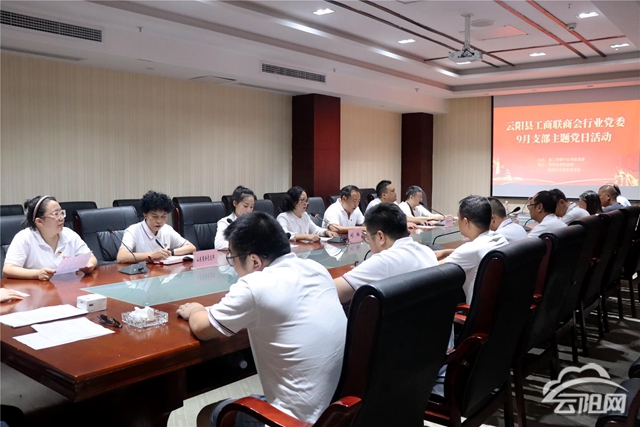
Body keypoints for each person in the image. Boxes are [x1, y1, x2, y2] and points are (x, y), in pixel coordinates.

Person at [177, 212, 346, 427]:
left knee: (209, 414)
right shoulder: (317, 269)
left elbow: (202, 328)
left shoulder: (256, 285)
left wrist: (195, 310)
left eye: (232, 258)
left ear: (254, 260)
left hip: (294, 422)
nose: (232, 266)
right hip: (336, 414)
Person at [333, 203, 438, 304]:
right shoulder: (427, 251)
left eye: (368, 238)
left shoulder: (384, 261)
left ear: (380, 236)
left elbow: (332, 290)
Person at [3, 195, 98, 280]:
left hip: (68, 287)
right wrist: (37, 274)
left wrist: (89, 265)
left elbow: (91, 258)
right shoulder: (25, 237)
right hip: (37, 290)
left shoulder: (69, 234)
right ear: (39, 221)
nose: (61, 218)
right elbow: (8, 269)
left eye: (61, 213)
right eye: (55, 214)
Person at [436, 195, 508, 304]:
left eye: (458, 218)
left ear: (466, 222)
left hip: (474, 311)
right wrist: (445, 252)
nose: (457, 222)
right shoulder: (500, 238)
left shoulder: (470, 250)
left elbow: (434, 269)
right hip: (498, 307)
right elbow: (474, 254)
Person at [117, 191, 195, 263]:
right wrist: (151, 255)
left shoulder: (167, 229)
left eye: (163, 216)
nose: (159, 221)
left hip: (163, 271)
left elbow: (191, 247)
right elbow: (121, 257)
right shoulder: (133, 231)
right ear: (145, 214)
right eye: (154, 216)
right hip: (142, 272)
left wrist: (170, 252)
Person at [215, 186, 256, 250]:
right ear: (235, 203)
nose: (249, 211)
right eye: (245, 206)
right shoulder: (226, 222)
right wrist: (242, 245)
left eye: (251, 207)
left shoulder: (254, 222)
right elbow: (218, 244)